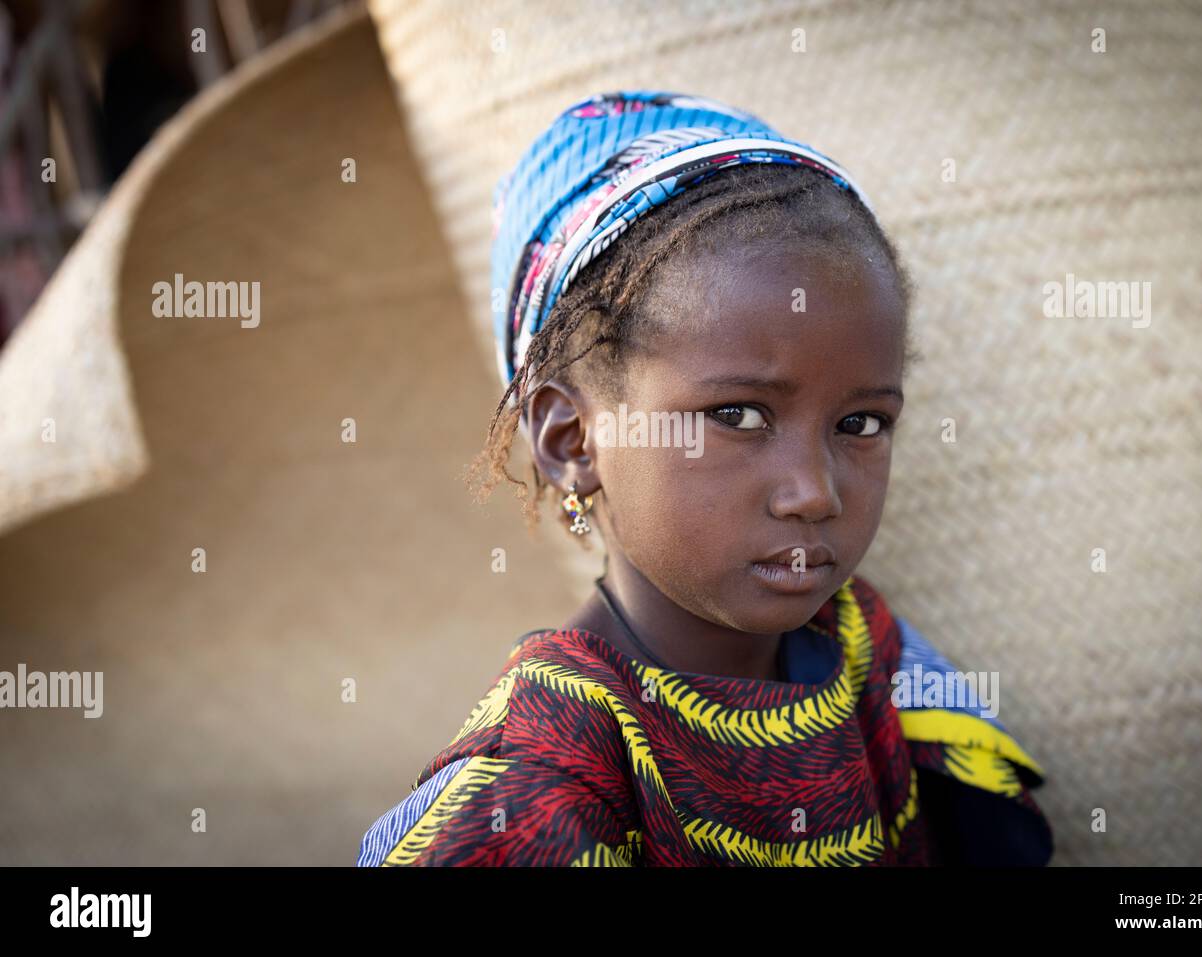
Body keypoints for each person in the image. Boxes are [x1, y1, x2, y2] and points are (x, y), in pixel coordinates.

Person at [357, 90, 1052, 866]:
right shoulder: (538, 774)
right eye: (739, 416)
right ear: (573, 438)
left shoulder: (867, 649)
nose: (814, 493)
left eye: (859, 424)